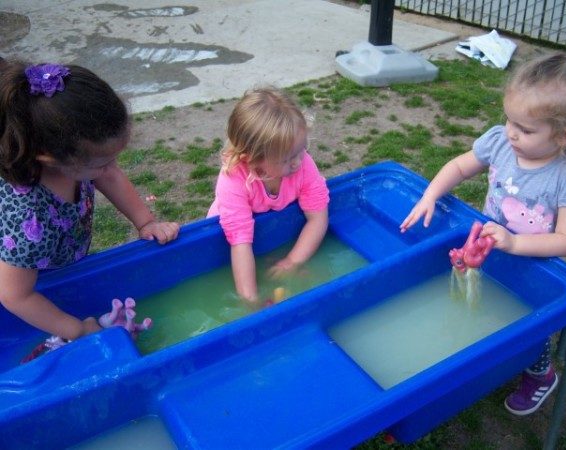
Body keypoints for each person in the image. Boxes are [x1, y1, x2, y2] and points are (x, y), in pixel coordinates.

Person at [400, 52, 566, 415]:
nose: (511, 132)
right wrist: (430, 194)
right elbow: (461, 165)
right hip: (491, 245)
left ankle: (540, 373)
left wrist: (516, 243)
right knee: (480, 303)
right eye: (509, 120)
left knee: (528, 322)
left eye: (525, 129)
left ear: (565, 136)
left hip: (536, 260)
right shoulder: (500, 143)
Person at [0, 60, 180, 342]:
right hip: (29, 282)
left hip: (60, 263)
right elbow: (14, 295)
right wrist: (78, 330)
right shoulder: (29, 218)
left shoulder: (73, 161)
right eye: (103, 162)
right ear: (51, 159)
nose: (111, 167)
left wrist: (145, 222)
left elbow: (108, 176)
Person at [208, 88, 329, 302]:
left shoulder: (303, 165)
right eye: (287, 158)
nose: (298, 162)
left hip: (268, 230)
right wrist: (250, 300)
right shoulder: (233, 180)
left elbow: (318, 218)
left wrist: (293, 261)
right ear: (254, 162)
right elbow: (240, 243)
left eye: (301, 150)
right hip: (228, 238)